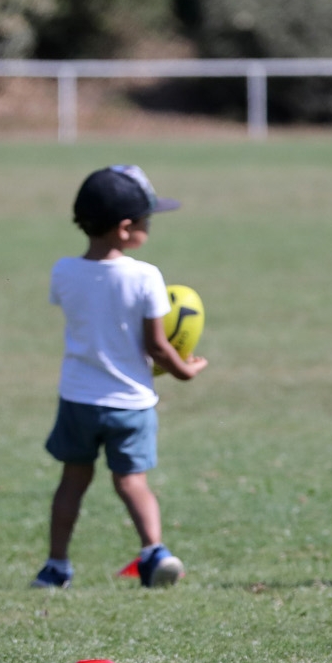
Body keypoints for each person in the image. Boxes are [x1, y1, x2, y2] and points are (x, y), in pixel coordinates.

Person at [35, 166, 207, 590]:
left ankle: (56, 566)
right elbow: (155, 346)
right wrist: (185, 370)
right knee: (132, 482)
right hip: (130, 401)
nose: (149, 227)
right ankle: (154, 553)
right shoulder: (145, 275)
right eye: (147, 220)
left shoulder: (63, 271)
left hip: (78, 399)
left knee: (71, 483)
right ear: (126, 229)